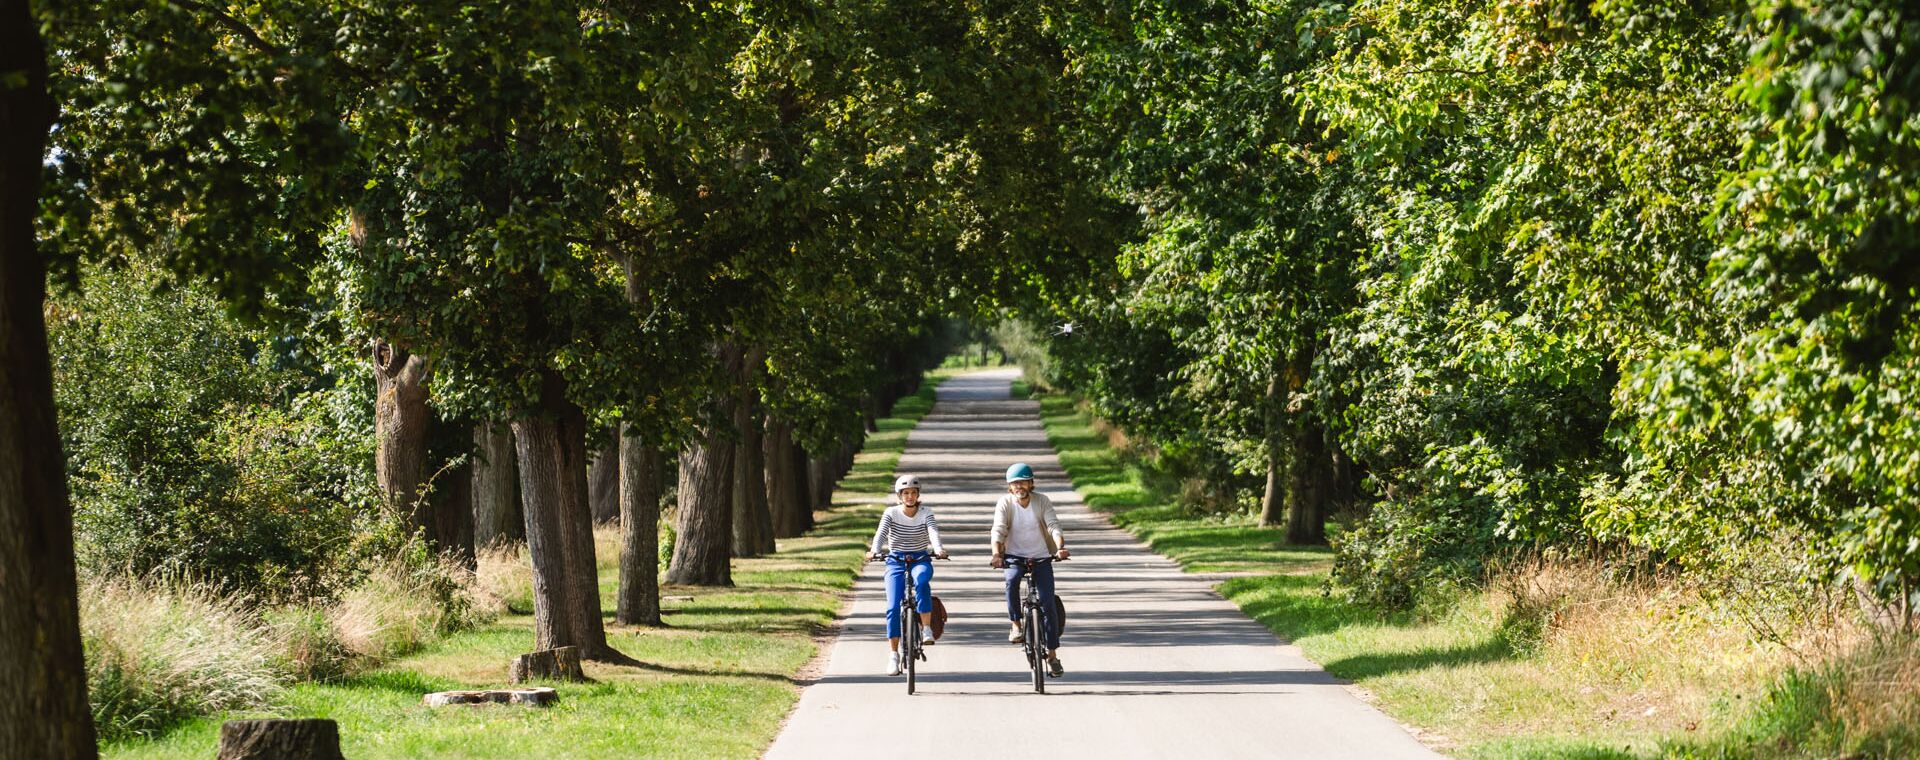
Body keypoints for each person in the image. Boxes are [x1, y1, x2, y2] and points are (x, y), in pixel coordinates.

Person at [990, 462, 1069, 677]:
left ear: (1031, 483)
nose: (1019, 486)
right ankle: (1015, 624)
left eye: (1023, 482)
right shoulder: (1005, 503)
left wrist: (1060, 547)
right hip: (1014, 556)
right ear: (1010, 487)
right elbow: (998, 529)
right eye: (1015, 483)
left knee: (1047, 602)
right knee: (1012, 581)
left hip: (1042, 556)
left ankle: (1052, 655)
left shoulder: (1042, 501)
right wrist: (997, 554)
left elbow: (1053, 525)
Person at [865, 474, 948, 676]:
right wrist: (874, 550)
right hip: (896, 561)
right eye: (905, 493)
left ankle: (926, 628)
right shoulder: (891, 513)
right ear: (899, 496)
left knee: (921, 581)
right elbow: (881, 534)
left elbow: (933, 532)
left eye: (913, 493)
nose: (909, 496)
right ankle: (894, 655)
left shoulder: (926, 512)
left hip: (920, 559)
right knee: (893, 607)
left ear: (918, 495)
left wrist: (938, 549)